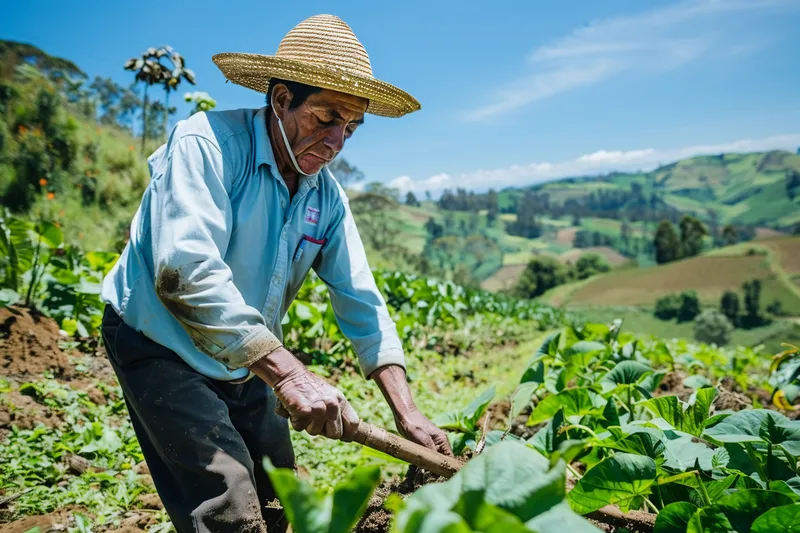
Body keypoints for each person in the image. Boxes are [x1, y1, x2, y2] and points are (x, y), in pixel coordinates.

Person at [99, 13, 452, 533]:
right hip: (160, 341)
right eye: (326, 118)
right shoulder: (207, 144)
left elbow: (362, 302)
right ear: (282, 98)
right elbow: (183, 271)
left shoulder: (325, 196)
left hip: (244, 354)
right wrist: (290, 373)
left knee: (278, 490)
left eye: (350, 128)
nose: (336, 142)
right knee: (229, 501)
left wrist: (408, 411)